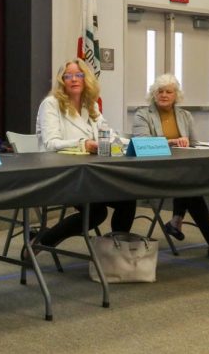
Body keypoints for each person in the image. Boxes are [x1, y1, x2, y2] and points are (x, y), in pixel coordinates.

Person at [33, 58, 136, 248]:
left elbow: (108, 135)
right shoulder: (51, 104)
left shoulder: (92, 105)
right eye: (68, 76)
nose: (74, 79)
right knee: (97, 212)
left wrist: (134, 144)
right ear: (61, 80)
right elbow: (50, 143)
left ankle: (117, 252)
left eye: (79, 75)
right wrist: (84, 144)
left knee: (128, 199)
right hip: (61, 174)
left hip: (92, 173)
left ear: (86, 78)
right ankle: (42, 243)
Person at [132, 74, 209, 261]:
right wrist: (171, 142)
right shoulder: (142, 114)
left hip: (180, 170)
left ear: (176, 95)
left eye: (169, 91)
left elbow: (193, 144)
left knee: (188, 184)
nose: (164, 95)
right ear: (153, 94)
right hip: (153, 170)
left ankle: (177, 221)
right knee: (191, 190)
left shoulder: (185, 116)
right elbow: (140, 142)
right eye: (160, 91)